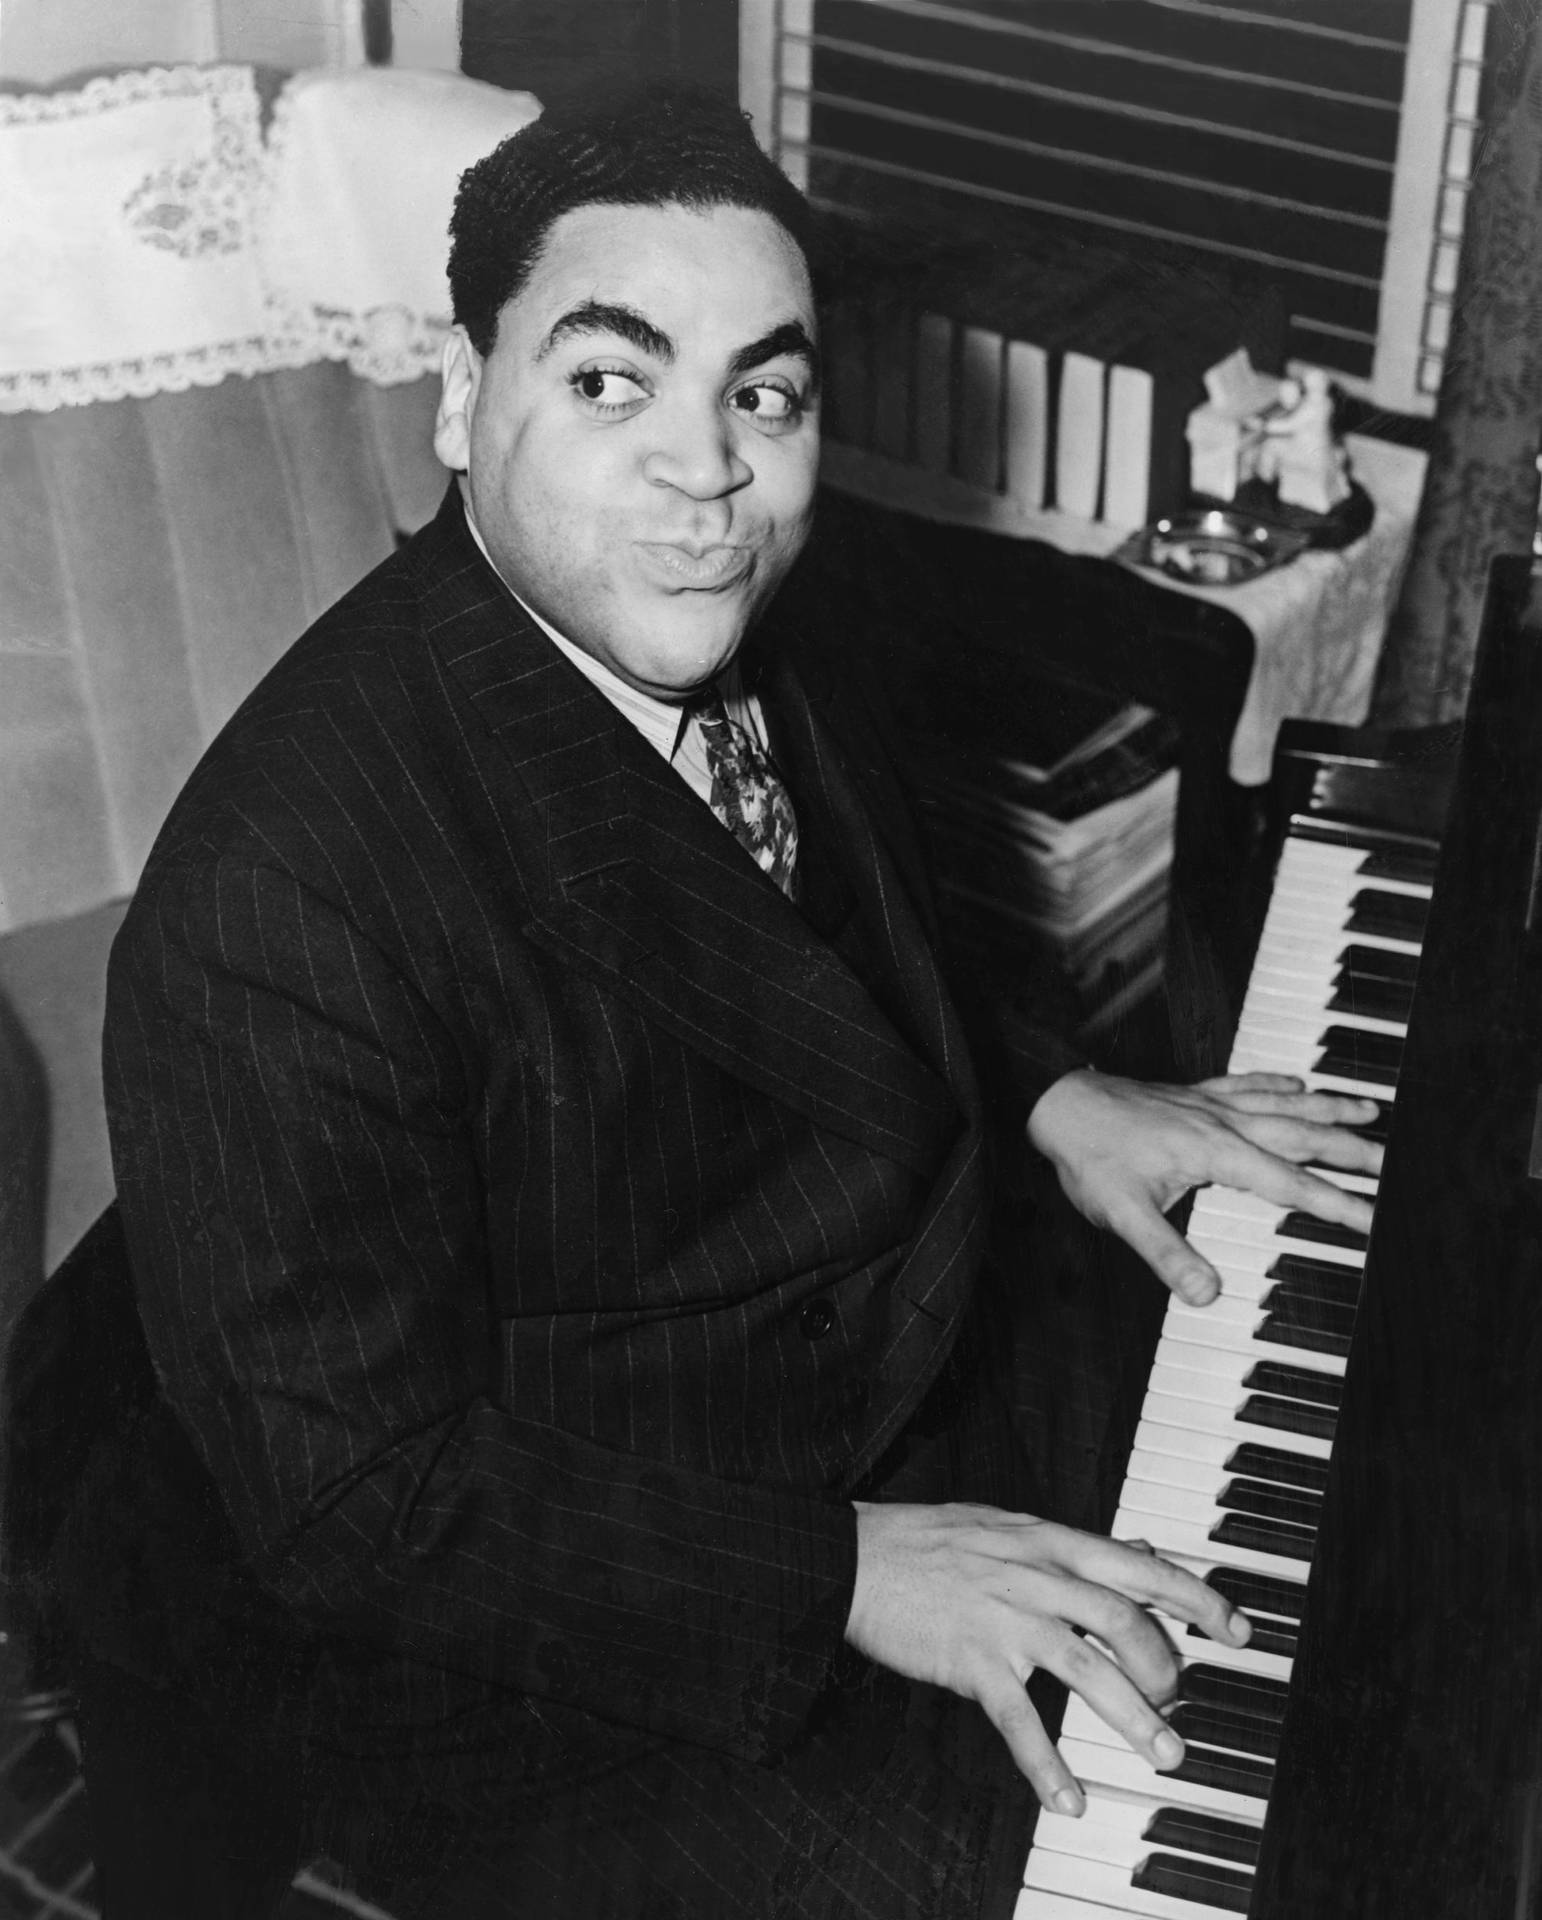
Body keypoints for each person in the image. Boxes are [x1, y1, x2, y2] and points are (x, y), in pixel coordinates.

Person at [66, 82, 1381, 1919]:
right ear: (461, 399)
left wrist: (1056, 1095)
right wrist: (843, 1578)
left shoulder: (738, 609)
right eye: (610, 382)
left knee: (1341, 1540)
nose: (709, 470)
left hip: (865, 1367)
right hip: (578, 1634)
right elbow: (353, 1502)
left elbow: (828, 967)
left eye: (759, 394)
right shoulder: (278, 902)